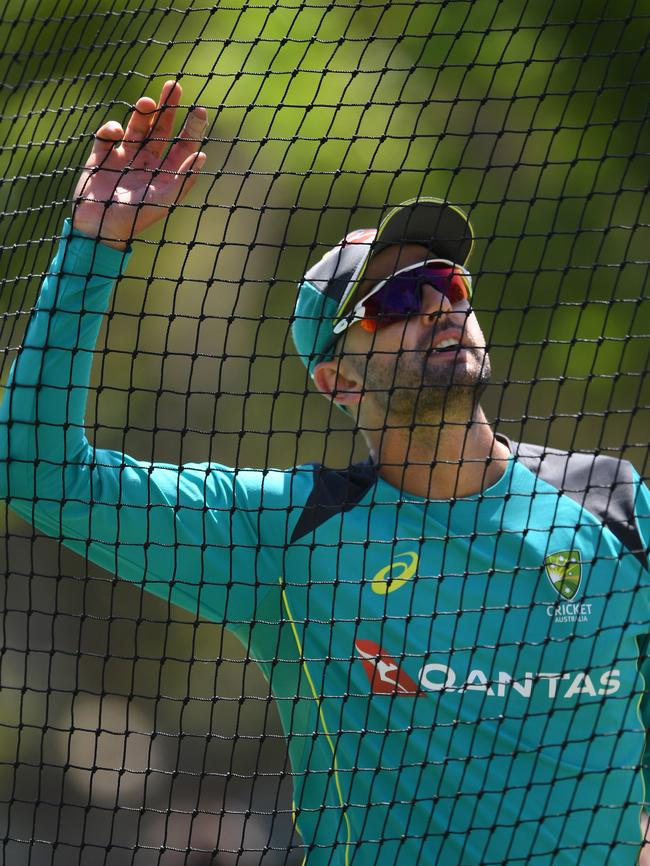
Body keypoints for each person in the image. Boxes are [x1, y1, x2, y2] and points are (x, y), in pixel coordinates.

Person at [0, 81, 648, 866]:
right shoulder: (288, 533)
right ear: (337, 381)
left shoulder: (616, 504)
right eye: (398, 299)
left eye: (447, 283)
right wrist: (94, 245)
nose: (439, 306)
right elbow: (39, 471)